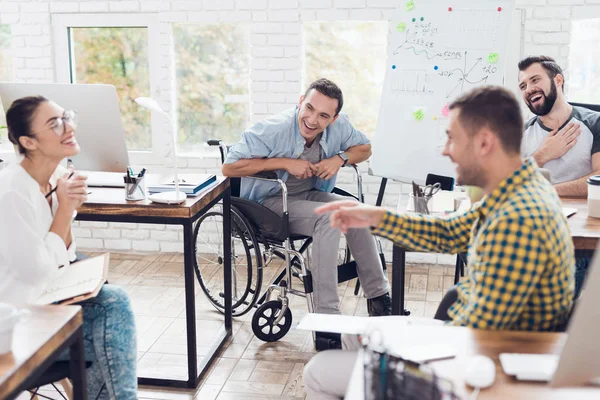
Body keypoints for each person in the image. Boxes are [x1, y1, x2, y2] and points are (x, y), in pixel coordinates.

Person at [303, 86, 575, 399]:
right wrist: (374, 216)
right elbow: (450, 232)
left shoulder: (517, 221)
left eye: (452, 138)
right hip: (471, 341)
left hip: (479, 365)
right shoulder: (516, 190)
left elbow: (473, 337)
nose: (445, 150)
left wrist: (398, 348)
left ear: (484, 143)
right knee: (349, 339)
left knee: (319, 370)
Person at [222, 78, 391, 350]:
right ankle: (326, 321)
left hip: (308, 195)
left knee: (354, 210)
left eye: (323, 115)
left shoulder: (340, 127)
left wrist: (339, 159)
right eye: (309, 108)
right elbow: (229, 168)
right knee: (329, 217)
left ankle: (380, 300)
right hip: (269, 201)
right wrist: (284, 163)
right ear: (301, 101)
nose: (312, 119)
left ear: (333, 118)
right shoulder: (272, 130)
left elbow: (365, 148)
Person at [0, 96, 137, 399]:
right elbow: (35, 274)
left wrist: (66, 206)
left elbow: (66, 254)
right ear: (28, 142)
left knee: (112, 308)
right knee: (113, 315)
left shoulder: (59, 178)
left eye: (66, 117)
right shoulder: (11, 193)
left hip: (49, 297)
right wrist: (65, 209)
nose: (68, 127)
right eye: (55, 124)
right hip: (18, 317)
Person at [518, 55, 600, 298]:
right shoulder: (522, 133)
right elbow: (505, 184)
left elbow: (599, 180)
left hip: (579, 238)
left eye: (535, 80)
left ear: (558, 80)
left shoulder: (593, 123)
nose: (528, 89)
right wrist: (542, 155)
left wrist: (548, 189)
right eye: (523, 86)